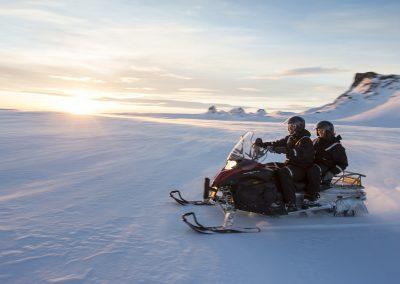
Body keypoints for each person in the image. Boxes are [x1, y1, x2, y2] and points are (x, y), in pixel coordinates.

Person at [254, 116, 314, 212]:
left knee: (283, 172)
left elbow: (298, 152)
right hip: (291, 164)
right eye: (289, 126)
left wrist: (282, 150)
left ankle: (291, 203)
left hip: (302, 167)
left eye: (292, 126)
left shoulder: (305, 140)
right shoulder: (291, 137)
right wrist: (262, 145)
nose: (289, 128)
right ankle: (271, 196)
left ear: (299, 126)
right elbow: (277, 143)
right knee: (268, 166)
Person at [305, 121, 348, 205]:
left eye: (322, 131)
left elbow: (343, 163)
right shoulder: (315, 141)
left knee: (314, 170)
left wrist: (331, 172)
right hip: (313, 164)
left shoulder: (336, 146)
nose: (319, 133)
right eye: (318, 131)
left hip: (326, 168)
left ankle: (310, 197)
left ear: (329, 131)